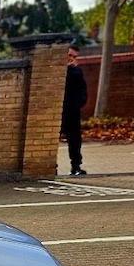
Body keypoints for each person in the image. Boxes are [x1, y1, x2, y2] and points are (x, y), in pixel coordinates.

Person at [63, 45, 88, 176]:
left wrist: (80, 102)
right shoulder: (58, 70)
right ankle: (51, 166)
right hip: (59, 110)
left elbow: (82, 88)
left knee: (75, 140)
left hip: (72, 110)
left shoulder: (77, 72)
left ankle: (76, 166)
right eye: (70, 56)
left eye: (74, 57)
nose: (72, 59)